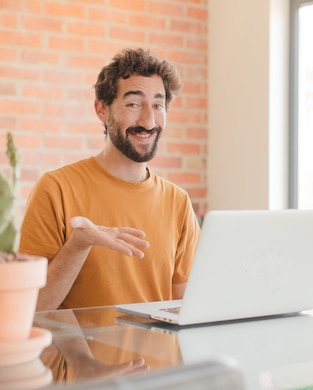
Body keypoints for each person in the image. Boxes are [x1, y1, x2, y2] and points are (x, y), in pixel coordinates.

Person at [19, 48, 201, 311]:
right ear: (102, 110)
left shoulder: (178, 201)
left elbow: (185, 307)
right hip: (78, 354)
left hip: (157, 353)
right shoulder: (55, 189)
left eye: (158, 105)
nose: (149, 120)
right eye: (133, 104)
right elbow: (32, 310)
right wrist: (79, 245)